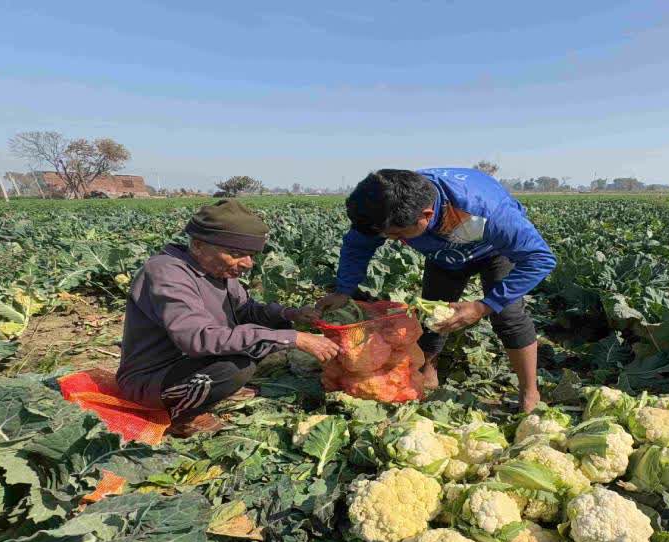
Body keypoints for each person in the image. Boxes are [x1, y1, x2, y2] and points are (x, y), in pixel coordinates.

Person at [317, 168, 556, 412]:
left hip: (496, 252)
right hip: (443, 256)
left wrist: (482, 306)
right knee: (432, 316)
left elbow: (540, 258)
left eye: (398, 235)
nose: (392, 239)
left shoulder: (486, 210)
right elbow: (357, 246)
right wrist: (343, 291)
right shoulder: (383, 204)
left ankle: (529, 392)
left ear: (426, 215)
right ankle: (428, 369)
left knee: (509, 315)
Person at [117, 199, 339, 437]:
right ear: (199, 245)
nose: (247, 264)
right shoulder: (167, 273)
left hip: (190, 363)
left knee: (257, 345)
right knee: (235, 368)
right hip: (151, 379)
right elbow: (196, 338)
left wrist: (289, 314)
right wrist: (293, 338)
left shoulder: (218, 270)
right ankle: (178, 416)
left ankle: (200, 394)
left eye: (251, 255)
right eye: (236, 253)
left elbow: (245, 311)